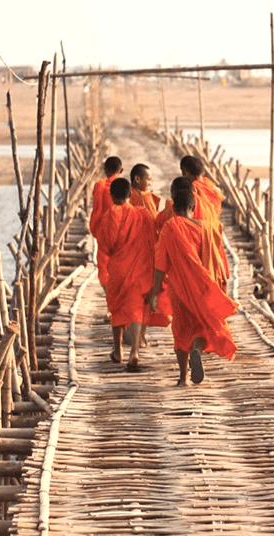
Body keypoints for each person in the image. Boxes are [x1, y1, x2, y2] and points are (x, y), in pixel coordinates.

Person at [150, 188, 237, 386]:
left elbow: (160, 265)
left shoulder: (170, 228)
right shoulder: (207, 228)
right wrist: (221, 284)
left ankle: (183, 377)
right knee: (203, 326)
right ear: (194, 207)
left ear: (173, 206)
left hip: (179, 289)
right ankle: (197, 348)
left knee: (181, 331)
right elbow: (218, 260)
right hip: (204, 287)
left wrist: (155, 294)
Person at [99, 179, 171, 369]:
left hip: (118, 269)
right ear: (130, 195)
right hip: (139, 268)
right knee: (137, 306)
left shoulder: (109, 216)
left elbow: (105, 246)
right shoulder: (143, 214)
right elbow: (153, 240)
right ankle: (134, 351)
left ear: (112, 196)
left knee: (116, 307)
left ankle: (117, 350)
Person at [178, 156, 230, 290]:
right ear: (202, 172)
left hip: (198, 240)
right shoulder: (212, 188)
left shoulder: (192, 191)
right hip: (213, 236)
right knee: (214, 278)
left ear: (185, 172)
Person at [90, 156, 122, 288]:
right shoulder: (123, 186)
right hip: (121, 230)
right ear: (121, 171)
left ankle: (108, 291)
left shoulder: (100, 185)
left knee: (104, 265)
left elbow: (97, 208)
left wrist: (96, 229)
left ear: (104, 170)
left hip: (103, 231)